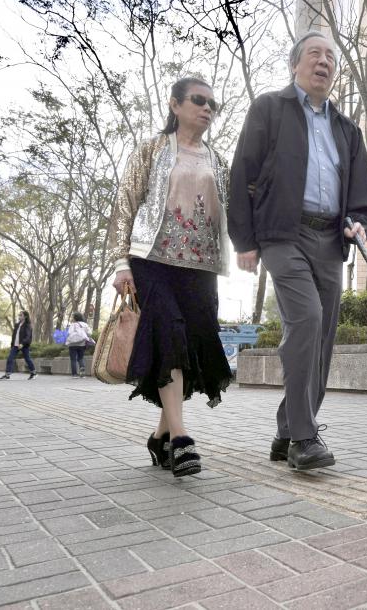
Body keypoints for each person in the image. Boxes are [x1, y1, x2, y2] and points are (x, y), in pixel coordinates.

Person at [228, 30, 367, 471]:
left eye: (330, 57)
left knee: (322, 339)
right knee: (307, 318)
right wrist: (245, 240)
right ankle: (304, 439)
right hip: (282, 235)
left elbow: (363, 199)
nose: (324, 62)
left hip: (329, 240)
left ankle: (285, 430)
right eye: (314, 54)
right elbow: (243, 171)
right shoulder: (270, 109)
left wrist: (361, 224)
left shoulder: (347, 130)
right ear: (295, 64)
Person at [107, 76, 232, 478]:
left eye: (214, 104)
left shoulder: (218, 161)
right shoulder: (152, 150)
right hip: (152, 260)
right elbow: (124, 206)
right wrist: (119, 263)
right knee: (169, 332)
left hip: (199, 266)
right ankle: (180, 438)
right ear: (175, 105)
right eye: (199, 101)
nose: (207, 109)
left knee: (191, 344)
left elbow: (239, 208)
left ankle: (160, 435)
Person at [0, 311, 36, 380]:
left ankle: (33, 373)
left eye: (21, 315)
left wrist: (22, 343)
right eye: (19, 315)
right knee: (10, 358)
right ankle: (7, 375)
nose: (19, 317)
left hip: (24, 345)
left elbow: (28, 336)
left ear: (25, 316)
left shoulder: (28, 325)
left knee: (27, 359)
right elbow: (14, 335)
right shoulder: (17, 325)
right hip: (15, 345)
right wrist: (12, 344)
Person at [65, 312, 94, 378]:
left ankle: (74, 374)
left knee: (73, 359)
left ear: (75, 318)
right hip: (82, 344)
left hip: (72, 344)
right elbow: (89, 333)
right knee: (81, 358)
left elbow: (69, 333)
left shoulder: (73, 325)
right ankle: (82, 371)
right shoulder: (85, 325)